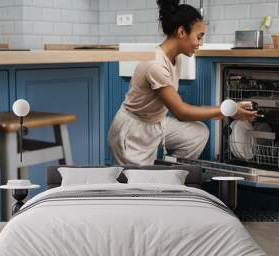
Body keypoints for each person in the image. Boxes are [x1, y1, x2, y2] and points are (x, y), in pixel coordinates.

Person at [108, 0, 257, 165]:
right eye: (199, 37)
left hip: (157, 123)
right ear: (181, 32)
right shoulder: (155, 64)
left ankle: (169, 175)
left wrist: (230, 110)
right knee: (139, 187)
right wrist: (229, 110)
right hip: (133, 131)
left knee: (197, 133)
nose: (200, 44)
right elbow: (182, 112)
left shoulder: (175, 57)